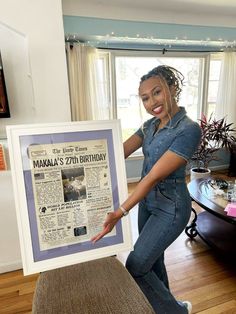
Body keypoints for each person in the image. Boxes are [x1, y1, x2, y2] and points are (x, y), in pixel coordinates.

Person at [91, 65, 201, 314]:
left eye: (157, 92)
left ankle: (176, 311)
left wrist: (120, 211)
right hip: (148, 203)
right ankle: (165, 307)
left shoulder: (188, 129)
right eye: (145, 98)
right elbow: (118, 152)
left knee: (137, 264)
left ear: (172, 89)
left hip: (171, 207)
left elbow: (152, 177)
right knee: (154, 260)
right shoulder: (149, 126)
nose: (152, 102)